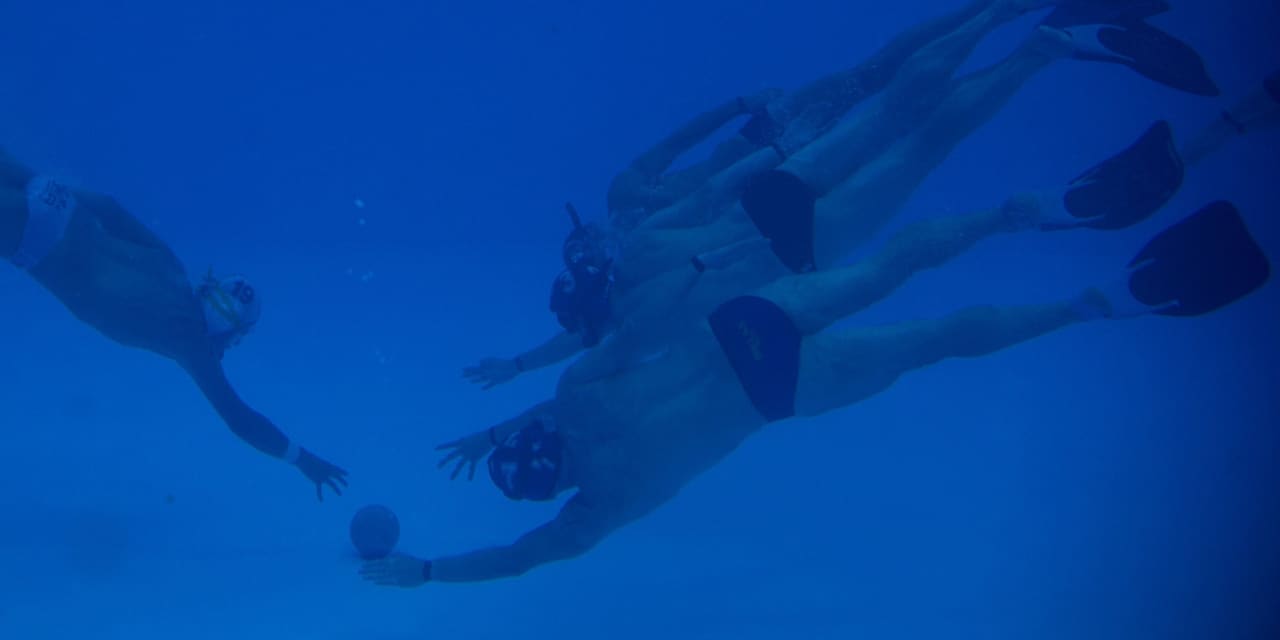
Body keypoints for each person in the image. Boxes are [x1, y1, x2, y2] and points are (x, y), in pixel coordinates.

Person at [364, 199, 1270, 585]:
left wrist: (429, 572)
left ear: (552, 484)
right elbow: (634, 331)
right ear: (540, 445)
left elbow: (517, 557)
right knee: (892, 266)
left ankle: (1090, 306)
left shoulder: (596, 508)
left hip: (778, 390)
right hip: (746, 330)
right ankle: (1024, 213)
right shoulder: (577, 399)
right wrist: (496, 427)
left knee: (936, 341)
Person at [465, 0, 1218, 388]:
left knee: (892, 83)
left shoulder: (630, 211)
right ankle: (1034, 31)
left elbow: (678, 152)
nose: (601, 245)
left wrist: (742, 108)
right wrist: (521, 366)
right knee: (902, 102)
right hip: (777, 159)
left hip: (777, 142)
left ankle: (1024, 25)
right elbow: (590, 331)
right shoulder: (630, 266)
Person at [1, 150, 348, 500]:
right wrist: (302, 459)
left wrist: (51, 192)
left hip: (54, 196)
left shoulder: (172, 267)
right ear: (230, 331)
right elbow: (239, 418)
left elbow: (109, 207)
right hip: (34, 237)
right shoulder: (189, 339)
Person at [1181, 69, 1280, 166]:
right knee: (1229, 125)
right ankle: (1189, 154)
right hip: (1270, 89)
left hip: (1269, 89)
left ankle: (1189, 154)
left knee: (1229, 125)